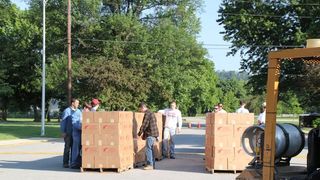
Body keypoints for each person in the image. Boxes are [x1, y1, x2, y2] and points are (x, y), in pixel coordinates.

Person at [60, 98, 82, 168]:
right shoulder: (67, 111)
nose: (78, 104)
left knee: (74, 148)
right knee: (67, 148)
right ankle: (65, 163)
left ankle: (73, 162)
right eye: (77, 103)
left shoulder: (78, 111)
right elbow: (63, 122)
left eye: (78, 103)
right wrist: (63, 131)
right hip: (68, 132)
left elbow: (80, 121)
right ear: (72, 103)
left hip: (76, 133)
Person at [137, 102, 159, 170]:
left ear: (142, 107)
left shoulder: (147, 113)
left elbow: (144, 124)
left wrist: (139, 133)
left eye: (140, 109)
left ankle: (150, 165)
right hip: (154, 133)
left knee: (148, 149)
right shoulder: (151, 112)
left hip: (151, 134)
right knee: (151, 149)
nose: (140, 111)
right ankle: (152, 165)